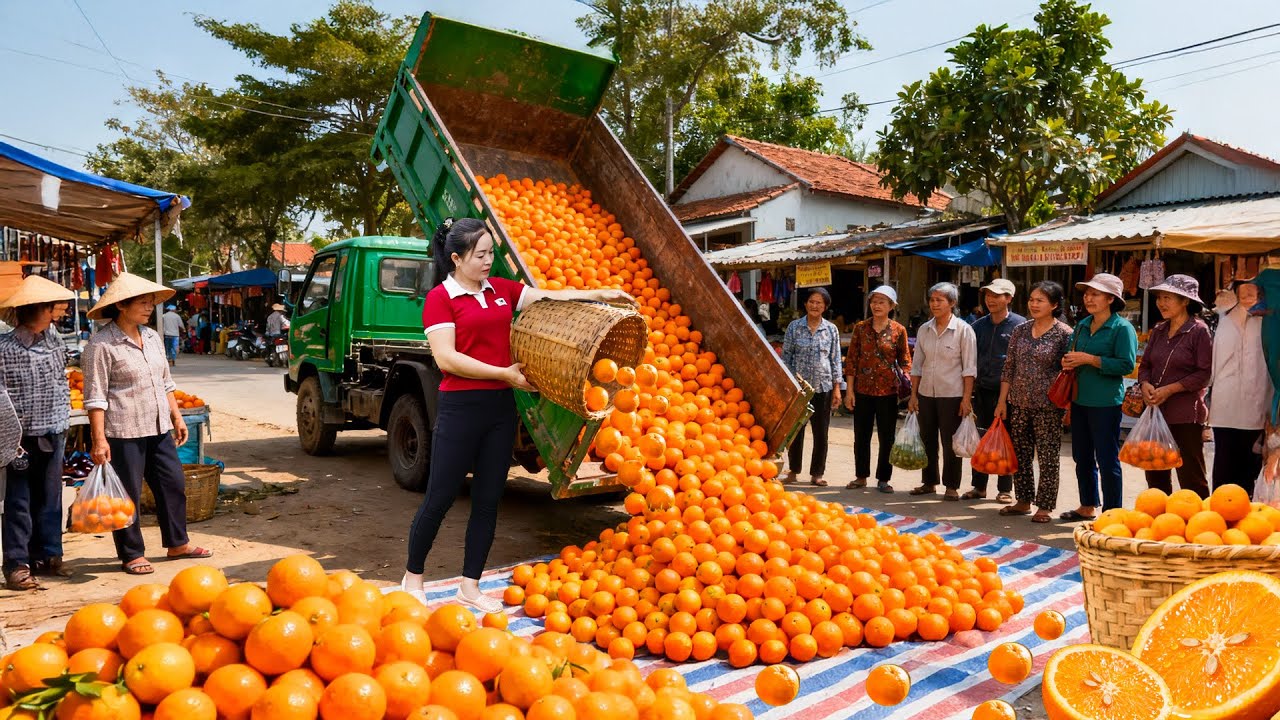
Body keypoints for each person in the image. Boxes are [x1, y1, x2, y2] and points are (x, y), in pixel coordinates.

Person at [403, 217, 634, 612]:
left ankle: (470, 586)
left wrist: (602, 293)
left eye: (491, 252)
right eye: (480, 255)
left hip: (499, 410)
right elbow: (447, 358)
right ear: (456, 258)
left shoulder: (502, 291)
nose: (488, 260)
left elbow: (550, 298)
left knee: (488, 500)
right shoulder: (440, 298)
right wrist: (504, 374)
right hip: (461, 408)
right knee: (439, 498)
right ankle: (413, 579)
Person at [84, 273, 212, 575]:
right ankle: (131, 553)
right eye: (143, 303)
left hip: (158, 428)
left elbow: (165, 383)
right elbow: (95, 397)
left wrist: (177, 416)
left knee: (173, 484)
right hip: (123, 430)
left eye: (150, 303)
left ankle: (177, 543)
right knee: (126, 495)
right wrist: (99, 439)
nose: (148, 308)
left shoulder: (153, 337)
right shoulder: (101, 344)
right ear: (122, 306)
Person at [0, 276, 75, 590]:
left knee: (50, 498)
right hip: (19, 438)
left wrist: (64, 420)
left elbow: (61, 381)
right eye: (52, 307)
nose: (57, 312)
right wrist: (8, 439)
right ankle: (17, 564)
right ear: (40, 309)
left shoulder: (54, 340)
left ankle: (48, 555)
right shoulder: (5, 348)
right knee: (18, 501)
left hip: (54, 429)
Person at [1060, 273, 1137, 521]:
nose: (1088, 298)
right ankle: (1087, 504)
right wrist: (1068, 360)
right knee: (1081, 456)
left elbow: (1126, 364)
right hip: (1079, 399)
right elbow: (1071, 351)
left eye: (1095, 294)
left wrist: (1090, 360)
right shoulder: (1082, 325)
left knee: (1107, 458)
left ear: (1111, 299)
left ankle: (1113, 512)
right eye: (1087, 293)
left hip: (1106, 403)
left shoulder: (1122, 328)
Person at [994, 281, 1073, 523]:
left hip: (1048, 406)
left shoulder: (1065, 333)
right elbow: (1009, 367)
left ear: (1054, 305)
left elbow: (1069, 373)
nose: (1034, 304)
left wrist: (1068, 407)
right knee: (1021, 454)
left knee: (1048, 457)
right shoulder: (1021, 330)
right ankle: (1023, 500)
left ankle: (1045, 506)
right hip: (1018, 402)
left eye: (1040, 300)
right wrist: (1002, 402)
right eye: (1031, 299)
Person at [1139, 275, 1213, 499]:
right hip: (1155, 413)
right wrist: (1145, 384)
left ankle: (1200, 523)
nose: (1161, 302)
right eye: (1160, 297)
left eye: (1168, 297)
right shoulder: (1159, 330)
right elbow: (1146, 365)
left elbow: (1204, 374)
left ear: (1185, 301)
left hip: (1185, 415)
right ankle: (1160, 520)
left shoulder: (1199, 331)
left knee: (1190, 474)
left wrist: (1170, 389)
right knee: (1155, 474)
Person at [908, 282, 976, 500]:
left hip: (952, 394)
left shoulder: (964, 330)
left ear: (952, 303)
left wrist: (966, 399)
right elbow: (917, 365)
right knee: (927, 438)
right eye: (932, 299)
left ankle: (951, 486)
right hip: (926, 393)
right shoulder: (924, 330)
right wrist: (913, 395)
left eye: (940, 300)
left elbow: (969, 368)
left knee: (950, 442)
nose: (934, 304)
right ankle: (929, 482)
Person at [963, 279, 1026, 503]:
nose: (991, 299)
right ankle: (978, 487)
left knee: (1005, 440)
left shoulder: (1020, 326)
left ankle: (1005, 489)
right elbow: (969, 361)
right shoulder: (977, 326)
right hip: (982, 391)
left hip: (1009, 394)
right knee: (981, 439)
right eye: (988, 295)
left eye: (997, 295)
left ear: (1008, 298)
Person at [843, 285, 910, 493]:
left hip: (888, 392)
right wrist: (850, 391)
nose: (877, 305)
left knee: (886, 436)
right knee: (861, 435)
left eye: (882, 302)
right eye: (874, 301)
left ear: (891, 306)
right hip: (862, 390)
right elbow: (852, 361)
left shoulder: (899, 330)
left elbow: (905, 361)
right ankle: (861, 476)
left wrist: (907, 384)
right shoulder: (860, 328)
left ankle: (883, 479)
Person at [1209, 279, 1272, 494]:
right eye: (1242, 291)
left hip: (1257, 408)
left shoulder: (1269, 320)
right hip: (1224, 407)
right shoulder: (1224, 317)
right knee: (1224, 467)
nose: (1247, 296)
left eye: (1252, 290)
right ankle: (1220, 516)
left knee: (1249, 470)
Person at [781, 287, 844, 487]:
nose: (815, 305)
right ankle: (793, 470)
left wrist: (837, 388)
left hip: (823, 387)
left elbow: (835, 360)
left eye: (819, 303)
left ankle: (817, 473)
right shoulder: (794, 327)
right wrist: (789, 384)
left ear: (825, 307)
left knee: (821, 432)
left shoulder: (831, 329)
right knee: (796, 431)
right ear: (805, 304)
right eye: (811, 301)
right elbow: (787, 357)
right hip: (799, 388)